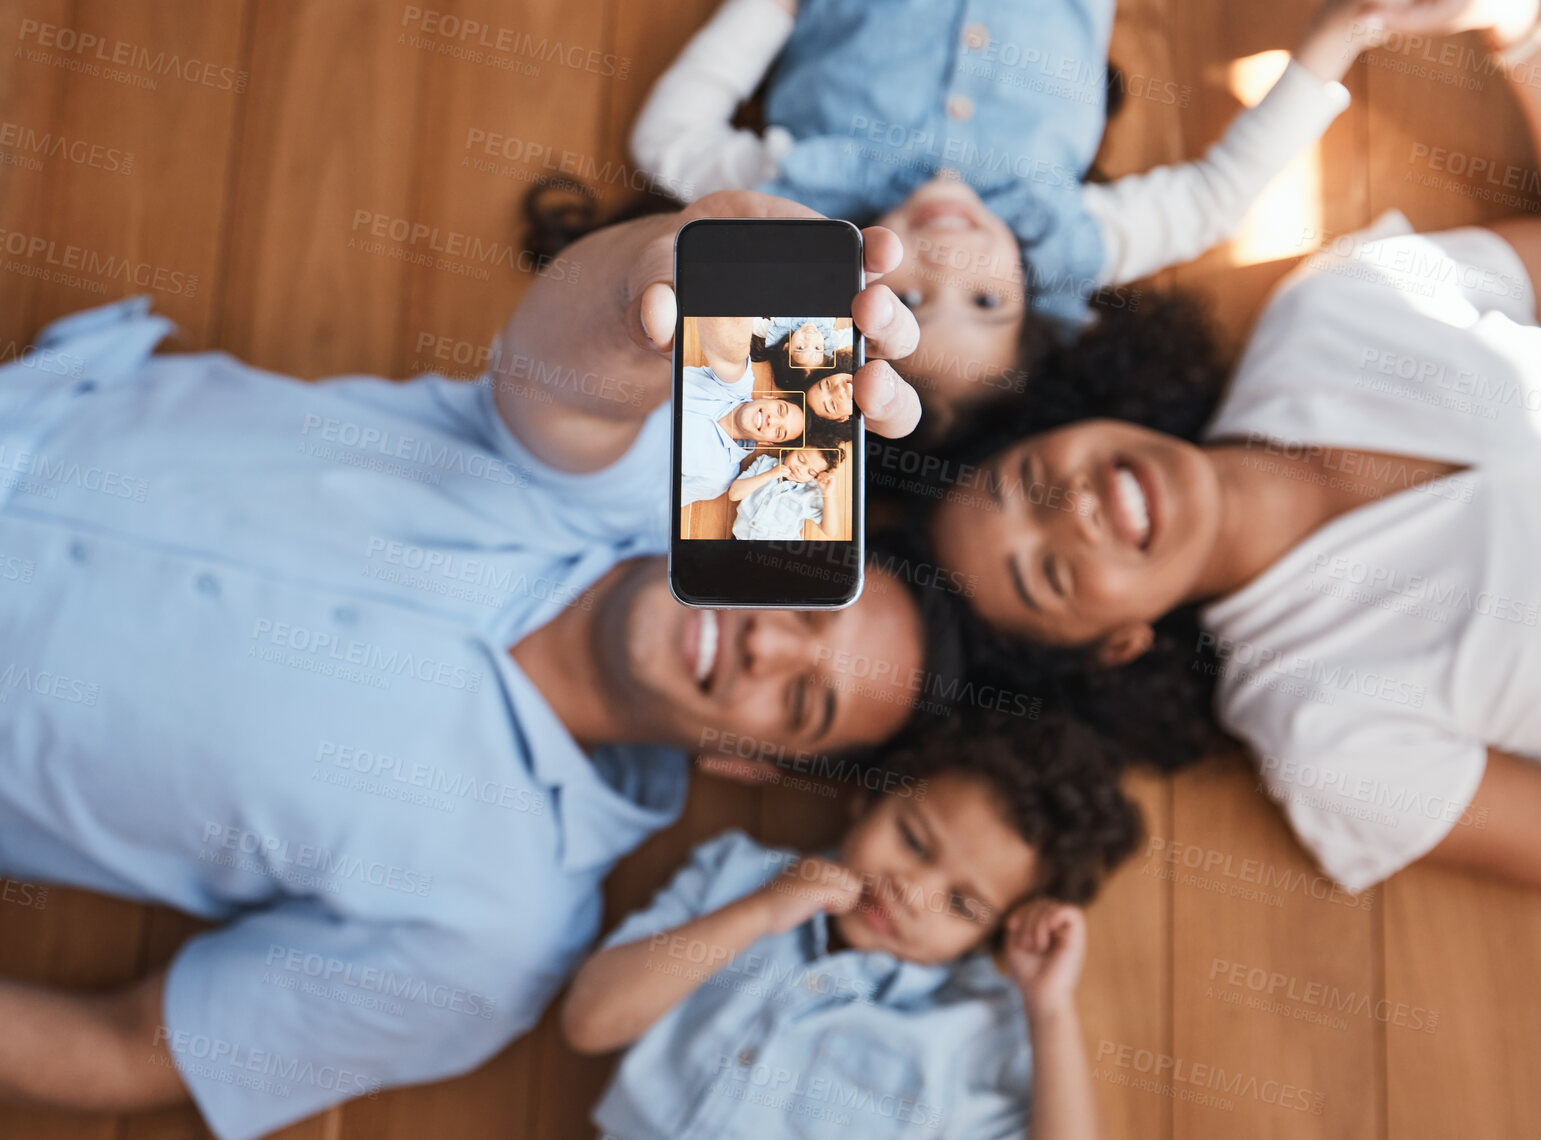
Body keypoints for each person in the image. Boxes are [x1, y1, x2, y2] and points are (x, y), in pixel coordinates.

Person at [0, 191, 936, 1140]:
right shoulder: (601, 484)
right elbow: (576, 359)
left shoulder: (495, 940)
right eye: (805, 599)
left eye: (802, 698)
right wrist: (662, 266)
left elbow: (135, 1047)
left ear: (746, 762)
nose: (766, 642)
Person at [923, 0, 1541, 903]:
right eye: (1048, 574)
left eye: (1032, 479)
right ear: (1117, 646)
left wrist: (1520, 23)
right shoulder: (1321, 730)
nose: (1073, 514)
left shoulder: (1335, 310)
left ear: (1068, 416)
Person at [623, 0, 1376, 429]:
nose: (948, 260)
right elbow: (1217, 199)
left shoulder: (803, 200)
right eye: (985, 302)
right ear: (1035, 305)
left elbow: (666, 144)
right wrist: (1343, 35)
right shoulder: (1062, 242)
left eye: (910, 300)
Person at [561, 715, 1141, 1140]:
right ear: (869, 797)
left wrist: (1050, 1008)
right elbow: (589, 1022)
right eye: (912, 841)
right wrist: (759, 912)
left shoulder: (974, 1029)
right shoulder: (735, 877)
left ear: (994, 933)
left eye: (962, 905)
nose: (912, 892)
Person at [680, 365, 809, 505]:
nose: (772, 420)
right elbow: (732, 353)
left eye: (779, 432)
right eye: (780, 410)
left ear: (767, 443)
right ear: (770, 397)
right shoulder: (738, 383)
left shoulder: (718, 477)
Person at [729, 446, 845, 540]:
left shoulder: (809, 492)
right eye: (801, 459)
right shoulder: (764, 463)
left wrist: (828, 495)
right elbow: (734, 494)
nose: (801, 469)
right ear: (792, 448)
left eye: (811, 472)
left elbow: (830, 531)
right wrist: (770, 475)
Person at [754, 315, 853, 369]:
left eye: (800, 347)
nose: (810, 338)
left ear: (787, 347)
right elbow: (849, 336)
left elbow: (753, 324)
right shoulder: (828, 340)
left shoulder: (776, 331)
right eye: (817, 348)